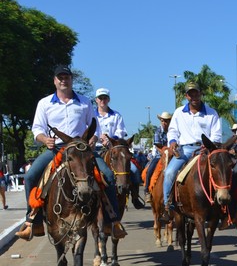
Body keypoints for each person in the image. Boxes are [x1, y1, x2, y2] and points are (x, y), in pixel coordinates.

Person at [15, 65, 127, 240]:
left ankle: (111, 222)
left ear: (71, 79)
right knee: (30, 177)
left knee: (108, 175)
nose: (63, 80)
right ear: (54, 81)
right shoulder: (44, 103)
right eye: (60, 77)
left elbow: (94, 126)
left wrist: (94, 139)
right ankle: (33, 222)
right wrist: (45, 139)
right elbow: (37, 129)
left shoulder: (84, 102)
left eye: (66, 77)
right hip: (57, 149)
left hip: (81, 150)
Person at [160, 81, 222, 223]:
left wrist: (208, 146)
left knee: (223, 171)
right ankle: (167, 205)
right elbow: (173, 131)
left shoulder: (211, 113)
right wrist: (173, 142)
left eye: (196, 92)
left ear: (200, 93)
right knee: (169, 172)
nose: (194, 96)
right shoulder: (179, 112)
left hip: (205, 150)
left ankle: (224, 208)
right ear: (186, 96)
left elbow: (216, 135)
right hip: (185, 150)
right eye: (190, 93)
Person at [94, 87, 144, 209]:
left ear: (108, 99)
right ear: (96, 100)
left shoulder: (116, 115)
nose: (103, 100)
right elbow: (88, 129)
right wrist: (98, 137)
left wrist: (112, 139)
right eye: (100, 98)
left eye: (105, 98)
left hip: (114, 148)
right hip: (95, 148)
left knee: (134, 170)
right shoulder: (91, 115)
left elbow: (121, 131)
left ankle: (135, 196)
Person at [144, 111, 172, 203]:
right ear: (160, 121)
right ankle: (147, 191)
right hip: (159, 155)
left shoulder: (172, 131)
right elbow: (158, 145)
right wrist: (164, 153)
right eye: (163, 121)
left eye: (167, 121)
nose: (165, 123)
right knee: (149, 170)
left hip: (171, 155)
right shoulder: (158, 131)